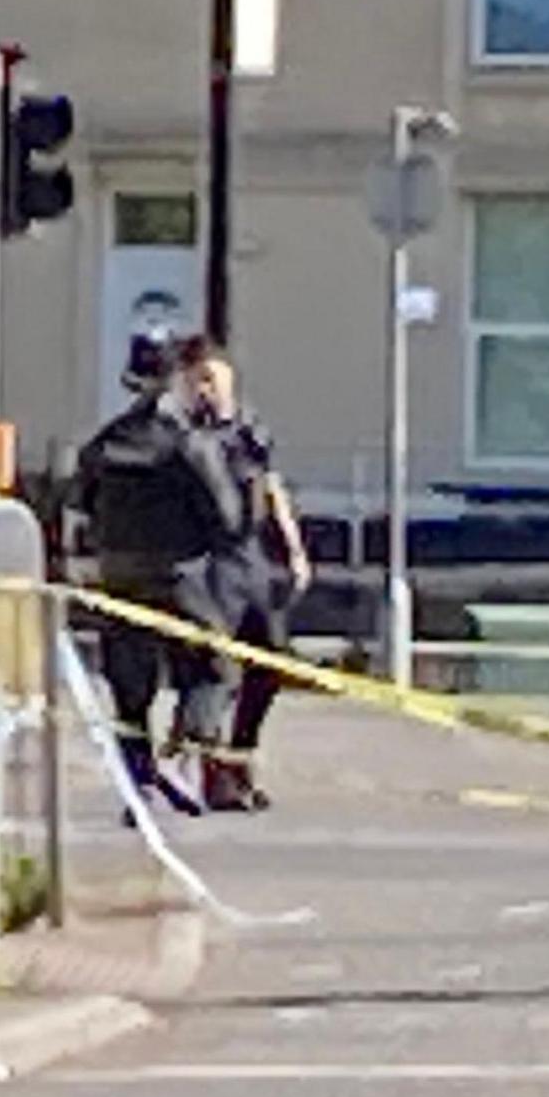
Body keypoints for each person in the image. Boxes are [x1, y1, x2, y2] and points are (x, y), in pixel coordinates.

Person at [72, 330, 247, 814]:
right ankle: (182, 758)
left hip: (118, 577)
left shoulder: (104, 443)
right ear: (176, 380)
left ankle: (138, 786)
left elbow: (77, 500)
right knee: (215, 668)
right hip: (180, 576)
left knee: (130, 689)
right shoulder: (188, 445)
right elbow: (228, 518)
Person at [193, 346, 310, 813]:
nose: (211, 392)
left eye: (218, 383)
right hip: (210, 562)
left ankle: (241, 759)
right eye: (203, 382)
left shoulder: (249, 432)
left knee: (270, 660)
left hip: (253, 559)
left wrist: (295, 548)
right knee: (217, 672)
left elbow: (271, 485)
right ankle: (213, 776)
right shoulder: (185, 438)